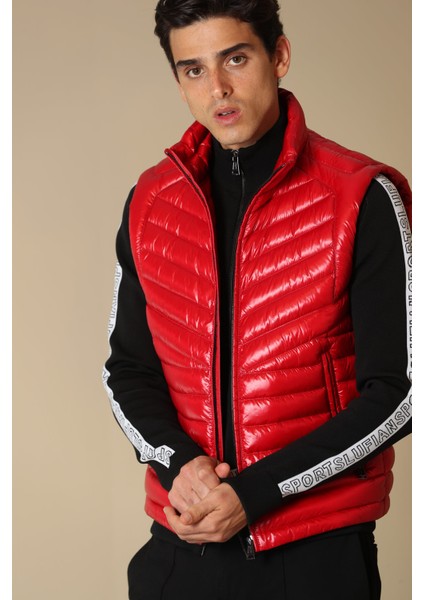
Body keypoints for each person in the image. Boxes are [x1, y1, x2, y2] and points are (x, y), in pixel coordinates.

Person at [103, 1, 412, 598]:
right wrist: (180, 465)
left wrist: (255, 493)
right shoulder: (151, 203)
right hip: (181, 546)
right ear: (178, 80)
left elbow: (399, 392)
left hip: (314, 555)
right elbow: (128, 369)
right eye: (194, 69)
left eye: (236, 59)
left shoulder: (361, 197)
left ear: (280, 56)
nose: (217, 87)